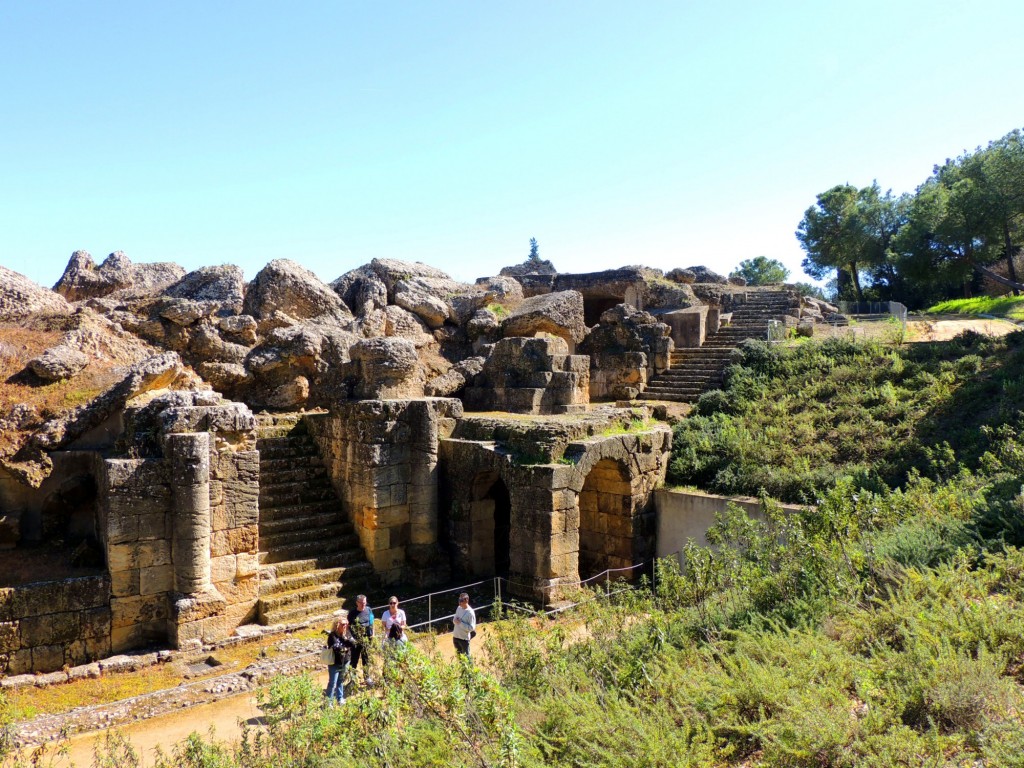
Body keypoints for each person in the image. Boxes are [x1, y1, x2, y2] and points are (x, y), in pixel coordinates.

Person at [325, 615, 356, 705]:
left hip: (345, 661)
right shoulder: (332, 636)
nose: (345, 626)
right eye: (343, 624)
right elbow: (337, 648)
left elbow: (353, 643)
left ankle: (340, 698)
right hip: (334, 662)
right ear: (337, 625)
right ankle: (329, 702)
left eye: (346, 624)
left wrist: (345, 640)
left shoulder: (347, 633)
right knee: (332, 682)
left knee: (341, 680)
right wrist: (346, 645)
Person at [348, 594, 375, 684]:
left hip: (367, 640)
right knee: (354, 660)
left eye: (364, 602)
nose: (363, 604)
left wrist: (373, 634)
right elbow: (348, 627)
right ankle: (352, 679)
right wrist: (351, 638)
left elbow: (371, 623)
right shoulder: (352, 614)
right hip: (356, 641)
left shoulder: (369, 610)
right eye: (361, 603)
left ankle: (367, 678)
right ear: (357, 603)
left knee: (366, 659)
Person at [452, 592, 477, 658]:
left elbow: (472, 628)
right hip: (456, 636)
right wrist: (455, 621)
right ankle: (461, 668)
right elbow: (454, 619)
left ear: (466, 600)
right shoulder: (459, 608)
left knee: (467, 658)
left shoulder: (470, 613)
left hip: (464, 639)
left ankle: (469, 668)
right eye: (459, 600)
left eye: (461, 601)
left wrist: (460, 623)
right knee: (459, 657)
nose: (459, 602)